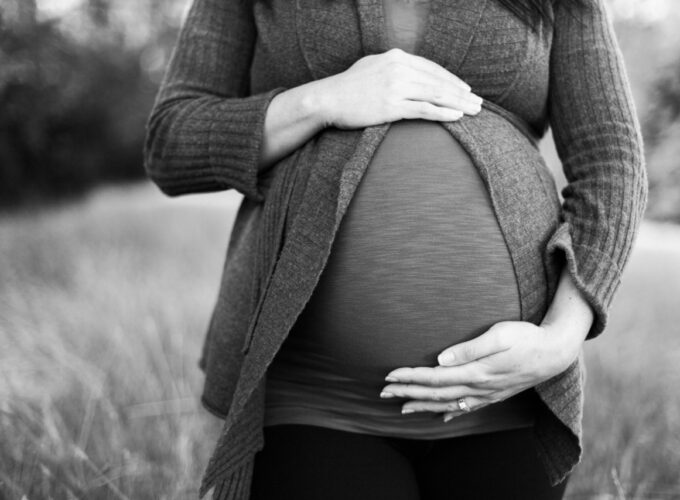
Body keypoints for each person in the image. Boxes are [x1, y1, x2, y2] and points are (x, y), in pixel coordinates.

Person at [144, 0, 647, 498]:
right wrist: (324, 100)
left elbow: (612, 162)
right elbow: (172, 141)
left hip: (509, 394)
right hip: (311, 397)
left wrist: (558, 340)